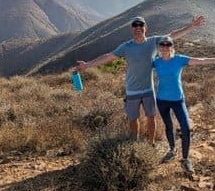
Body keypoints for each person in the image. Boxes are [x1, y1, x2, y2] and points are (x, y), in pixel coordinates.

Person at [74, 14, 206, 142]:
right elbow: (109, 56)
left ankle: (151, 143)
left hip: (148, 89)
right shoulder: (126, 46)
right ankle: (134, 142)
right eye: (135, 25)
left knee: (151, 117)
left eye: (141, 25)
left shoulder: (153, 42)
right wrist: (88, 65)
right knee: (133, 119)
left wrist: (191, 27)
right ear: (132, 29)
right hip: (132, 89)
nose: (138, 27)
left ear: (145, 28)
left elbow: (171, 36)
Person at [152, 36, 215, 176]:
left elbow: (200, 60)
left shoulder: (179, 59)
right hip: (162, 100)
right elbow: (140, 67)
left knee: (185, 127)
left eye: (168, 44)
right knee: (169, 126)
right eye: (162, 45)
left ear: (172, 46)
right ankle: (172, 150)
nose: (165, 47)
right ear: (159, 47)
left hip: (178, 100)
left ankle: (185, 159)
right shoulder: (156, 62)